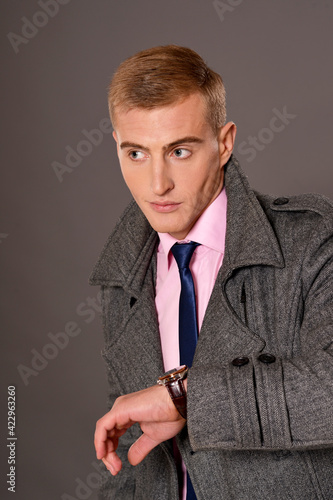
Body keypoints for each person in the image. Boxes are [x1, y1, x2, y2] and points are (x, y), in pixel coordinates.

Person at [89, 45, 333, 499]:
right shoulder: (123, 278)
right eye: (136, 153)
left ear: (224, 144)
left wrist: (186, 398)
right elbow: (130, 457)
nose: (157, 183)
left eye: (179, 151)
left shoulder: (310, 242)